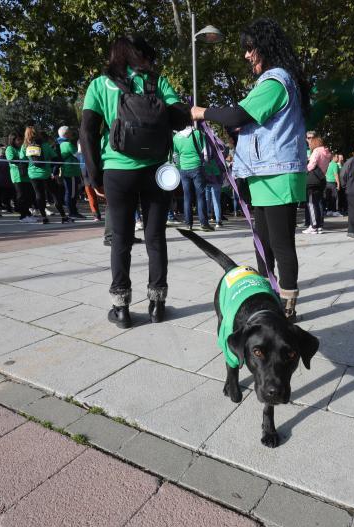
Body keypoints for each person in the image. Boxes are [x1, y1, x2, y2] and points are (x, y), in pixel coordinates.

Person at [192, 17, 309, 320]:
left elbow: (236, 115)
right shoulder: (271, 81)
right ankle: (267, 293)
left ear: (265, 48)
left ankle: (287, 305)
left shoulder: (275, 80)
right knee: (263, 242)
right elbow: (247, 124)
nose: (246, 55)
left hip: (278, 175)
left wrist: (201, 111)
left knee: (280, 243)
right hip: (263, 174)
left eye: (250, 49)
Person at [80, 34, 190, 327]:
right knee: (156, 238)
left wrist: (94, 175)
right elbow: (181, 120)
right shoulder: (157, 82)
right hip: (156, 171)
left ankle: (121, 309)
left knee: (121, 239)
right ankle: (157, 304)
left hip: (118, 171)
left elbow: (88, 132)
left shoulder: (99, 84)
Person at [20, 126, 69, 224]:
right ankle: (64, 217)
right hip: (46, 174)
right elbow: (55, 157)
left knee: (39, 195)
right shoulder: (45, 145)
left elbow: (22, 160)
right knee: (55, 194)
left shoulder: (24, 147)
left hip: (33, 175)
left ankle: (44, 218)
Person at [173, 126, 212, 231]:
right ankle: (204, 223)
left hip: (183, 169)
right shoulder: (199, 133)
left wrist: (179, 166)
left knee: (187, 197)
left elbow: (175, 155)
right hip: (197, 167)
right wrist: (206, 163)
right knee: (200, 196)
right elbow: (206, 153)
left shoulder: (176, 137)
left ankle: (188, 224)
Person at [303, 134, 331, 234]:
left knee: (311, 203)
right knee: (318, 203)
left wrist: (304, 169)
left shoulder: (316, 151)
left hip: (312, 180)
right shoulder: (327, 153)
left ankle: (313, 226)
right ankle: (319, 226)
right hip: (321, 179)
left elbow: (312, 165)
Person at [57, 126, 84, 219]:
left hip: (68, 171)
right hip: (71, 171)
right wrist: (80, 145)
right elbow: (78, 155)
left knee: (70, 192)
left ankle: (73, 211)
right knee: (71, 193)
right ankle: (72, 212)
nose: (71, 134)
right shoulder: (67, 144)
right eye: (70, 132)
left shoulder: (60, 144)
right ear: (66, 134)